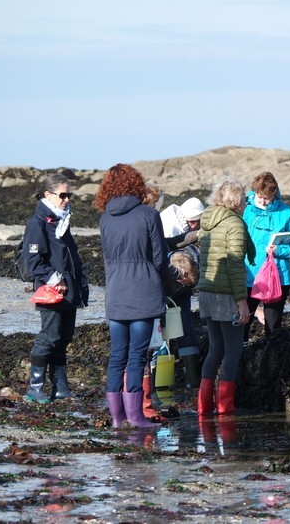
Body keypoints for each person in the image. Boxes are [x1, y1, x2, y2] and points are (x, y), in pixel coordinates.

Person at [95, 163, 179, 429]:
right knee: (137, 356)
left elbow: (108, 260)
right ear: (136, 184)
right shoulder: (148, 215)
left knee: (117, 355)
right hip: (143, 293)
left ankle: (118, 418)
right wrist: (168, 288)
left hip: (116, 292)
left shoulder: (105, 219)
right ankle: (135, 416)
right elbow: (158, 259)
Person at [22, 174, 89, 403]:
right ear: (47, 195)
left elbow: (69, 256)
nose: (66, 199)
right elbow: (32, 261)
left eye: (69, 195)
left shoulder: (61, 220)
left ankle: (60, 388)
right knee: (48, 338)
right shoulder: (38, 222)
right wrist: (54, 278)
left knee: (63, 339)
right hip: (52, 292)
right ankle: (35, 388)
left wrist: (79, 282)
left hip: (69, 291)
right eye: (63, 195)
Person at [197, 175, 255, 416]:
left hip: (207, 294)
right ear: (237, 200)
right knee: (233, 350)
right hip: (226, 296)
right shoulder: (234, 224)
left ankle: (203, 406)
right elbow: (234, 266)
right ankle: (225, 406)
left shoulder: (208, 220)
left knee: (215, 349)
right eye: (244, 199)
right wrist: (242, 302)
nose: (246, 204)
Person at [242, 172, 290, 345]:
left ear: (274, 195)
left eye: (267, 198)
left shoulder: (287, 213)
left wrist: (279, 249)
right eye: (259, 197)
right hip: (249, 276)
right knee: (242, 324)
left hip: (278, 278)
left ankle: (270, 364)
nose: (262, 201)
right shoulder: (245, 211)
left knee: (273, 328)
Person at [160, 196, 206, 389]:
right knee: (165, 331)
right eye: (194, 222)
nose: (195, 226)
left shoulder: (174, 217)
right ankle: (180, 381)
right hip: (169, 281)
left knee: (181, 327)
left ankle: (189, 381)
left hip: (181, 283)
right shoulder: (168, 222)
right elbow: (167, 246)